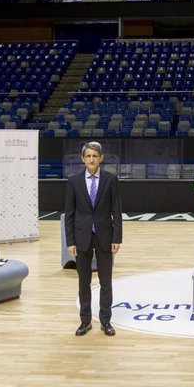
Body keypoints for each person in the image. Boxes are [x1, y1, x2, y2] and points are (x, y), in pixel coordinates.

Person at [65, 141, 123, 337]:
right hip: (81, 238)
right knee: (84, 282)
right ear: (83, 159)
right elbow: (69, 214)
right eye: (88, 156)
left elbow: (116, 210)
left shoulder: (111, 179)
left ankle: (105, 321)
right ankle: (85, 321)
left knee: (106, 282)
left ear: (101, 158)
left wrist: (117, 237)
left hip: (105, 236)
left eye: (95, 156)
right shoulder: (73, 181)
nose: (91, 159)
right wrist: (70, 241)